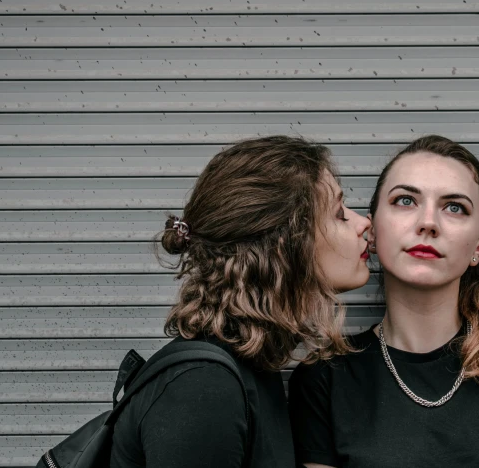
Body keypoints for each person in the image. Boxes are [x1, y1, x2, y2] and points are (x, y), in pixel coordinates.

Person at [288, 135, 479, 468]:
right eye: (405, 201)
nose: (428, 223)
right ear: (372, 230)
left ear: (478, 247)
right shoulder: (324, 378)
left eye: (455, 208)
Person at [110, 136, 372, 468]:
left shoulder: (249, 365)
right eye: (339, 214)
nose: (363, 222)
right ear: (285, 248)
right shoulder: (203, 387)